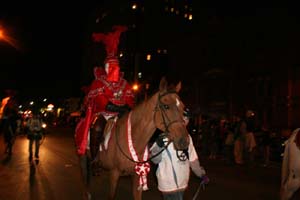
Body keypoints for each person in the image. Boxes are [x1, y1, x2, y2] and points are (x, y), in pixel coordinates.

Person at [74, 25, 135, 181]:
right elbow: (100, 102)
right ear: (106, 67)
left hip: (122, 114)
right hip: (104, 113)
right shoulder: (98, 82)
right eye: (109, 66)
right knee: (98, 126)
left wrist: (127, 108)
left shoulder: (125, 83)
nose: (112, 68)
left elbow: (130, 100)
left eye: (115, 66)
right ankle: (94, 159)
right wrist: (114, 107)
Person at [150, 109, 209, 200]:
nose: (184, 121)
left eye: (187, 118)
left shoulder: (188, 137)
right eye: (182, 117)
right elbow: (154, 159)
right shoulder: (165, 137)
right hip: (168, 183)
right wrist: (158, 146)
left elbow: (193, 159)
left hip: (182, 182)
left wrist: (201, 174)